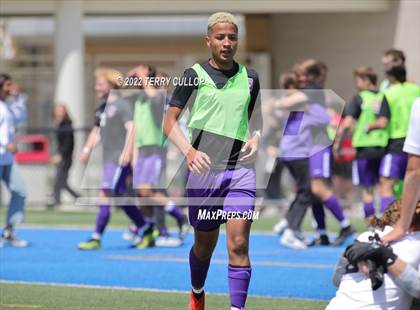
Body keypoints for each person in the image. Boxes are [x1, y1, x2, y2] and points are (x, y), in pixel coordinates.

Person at [163, 12, 261, 310]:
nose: (227, 42)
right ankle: (197, 290)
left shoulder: (251, 78)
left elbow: (254, 119)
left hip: (240, 172)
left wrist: (255, 137)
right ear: (209, 41)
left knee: (239, 244)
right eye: (220, 37)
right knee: (205, 246)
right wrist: (190, 152)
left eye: (232, 37)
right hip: (204, 174)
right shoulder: (193, 75)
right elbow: (169, 121)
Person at [77, 68, 154, 250]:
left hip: (118, 159)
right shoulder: (102, 107)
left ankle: (96, 237)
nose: (97, 87)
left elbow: (132, 128)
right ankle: (146, 228)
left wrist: (126, 153)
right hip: (108, 159)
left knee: (105, 194)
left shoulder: (121, 104)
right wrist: (87, 149)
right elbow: (97, 131)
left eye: (100, 84)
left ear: (111, 85)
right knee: (119, 197)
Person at [128, 65, 188, 244]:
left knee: (149, 191)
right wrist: (133, 155)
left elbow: (154, 95)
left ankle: (179, 218)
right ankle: (152, 231)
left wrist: (143, 75)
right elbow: (136, 130)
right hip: (142, 150)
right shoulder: (140, 100)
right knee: (141, 194)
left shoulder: (162, 99)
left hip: (156, 149)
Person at [327, 199, 420, 310]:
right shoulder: (416, 242)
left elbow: (337, 281)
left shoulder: (365, 236)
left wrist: (346, 256)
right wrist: (387, 258)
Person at [335, 67, 388, 220]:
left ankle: (371, 228)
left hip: (364, 149)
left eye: (358, 81)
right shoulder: (382, 97)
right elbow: (384, 121)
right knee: (384, 187)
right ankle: (387, 225)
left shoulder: (359, 98)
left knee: (367, 189)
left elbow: (347, 123)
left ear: (366, 80)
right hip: (382, 148)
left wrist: (338, 142)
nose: (357, 84)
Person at [366, 64, 419, 214]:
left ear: (390, 78)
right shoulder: (416, 90)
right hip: (416, 141)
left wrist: (368, 127)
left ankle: (387, 224)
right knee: (412, 184)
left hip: (397, 143)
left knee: (386, 182)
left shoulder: (389, 93)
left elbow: (383, 122)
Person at [382, 97, 420, 244]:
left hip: (392, 143)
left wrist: (402, 226)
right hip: (393, 144)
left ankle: (389, 221)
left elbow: (415, 172)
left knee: (385, 183)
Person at [0, 73, 28, 247]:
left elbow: (21, 116)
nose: (11, 88)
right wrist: (5, 143)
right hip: (3, 152)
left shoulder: (8, 105)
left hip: (7, 160)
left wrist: (18, 98)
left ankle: (9, 231)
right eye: (8, 85)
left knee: (19, 190)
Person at [48, 104, 80, 208]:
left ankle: (57, 203)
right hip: (60, 156)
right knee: (62, 182)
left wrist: (60, 155)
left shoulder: (67, 125)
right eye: (57, 110)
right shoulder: (58, 124)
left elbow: (68, 143)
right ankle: (78, 198)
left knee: (59, 181)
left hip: (65, 158)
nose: (58, 112)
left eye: (60, 110)